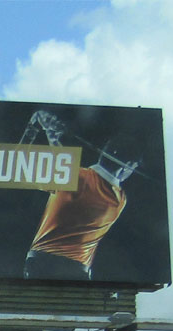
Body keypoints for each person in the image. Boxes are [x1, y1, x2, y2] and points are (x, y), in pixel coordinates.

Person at [20, 111, 140, 281]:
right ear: (126, 166)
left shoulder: (74, 176)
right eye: (133, 169)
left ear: (102, 151)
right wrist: (54, 140)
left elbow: (18, 165)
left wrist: (35, 127)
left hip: (38, 264)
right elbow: (76, 178)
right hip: (76, 271)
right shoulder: (119, 200)